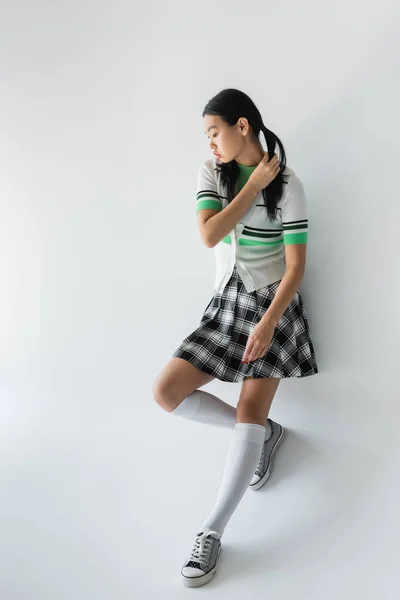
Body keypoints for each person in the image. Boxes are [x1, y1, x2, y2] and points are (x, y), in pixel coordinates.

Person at [152, 88, 318, 588]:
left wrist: (269, 320)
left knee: (249, 411)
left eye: (214, 132)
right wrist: (250, 187)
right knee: (166, 392)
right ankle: (266, 436)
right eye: (207, 135)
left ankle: (211, 532)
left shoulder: (289, 184)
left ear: (241, 126)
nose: (211, 144)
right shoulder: (213, 174)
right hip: (225, 305)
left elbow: (296, 267)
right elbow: (208, 235)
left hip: (274, 308)